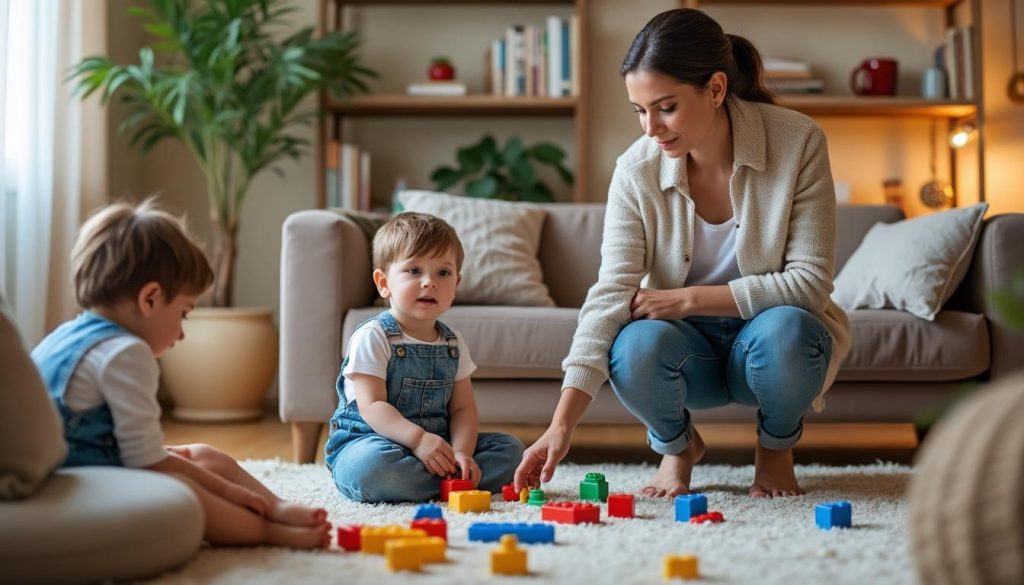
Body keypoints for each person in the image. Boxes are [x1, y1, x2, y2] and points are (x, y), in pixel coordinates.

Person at [514, 8, 851, 499]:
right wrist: (561, 424)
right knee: (634, 346)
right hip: (686, 350)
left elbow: (810, 285)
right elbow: (611, 293)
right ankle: (677, 448)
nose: (650, 128)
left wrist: (688, 299)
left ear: (715, 89)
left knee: (789, 331)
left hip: (768, 340)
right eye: (639, 110)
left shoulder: (798, 142)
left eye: (666, 107)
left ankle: (775, 449)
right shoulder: (636, 170)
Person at [31, 199, 331, 549]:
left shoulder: (68, 333)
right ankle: (265, 531)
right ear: (150, 299)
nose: (183, 333)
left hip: (78, 463)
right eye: (184, 313)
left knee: (201, 454)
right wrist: (229, 491)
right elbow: (148, 464)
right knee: (185, 486)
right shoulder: (125, 352)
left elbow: (140, 451)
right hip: (74, 479)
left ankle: (276, 507)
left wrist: (198, 470)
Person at [324, 211, 524, 502]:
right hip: (372, 441)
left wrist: (462, 453)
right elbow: (373, 406)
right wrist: (418, 440)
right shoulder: (374, 336)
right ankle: (446, 483)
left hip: (439, 447)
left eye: (443, 273)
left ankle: (443, 477)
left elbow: (463, 408)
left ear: (456, 283)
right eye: (414, 271)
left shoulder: (453, 343)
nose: (429, 282)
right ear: (383, 283)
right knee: (370, 467)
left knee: (511, 450)